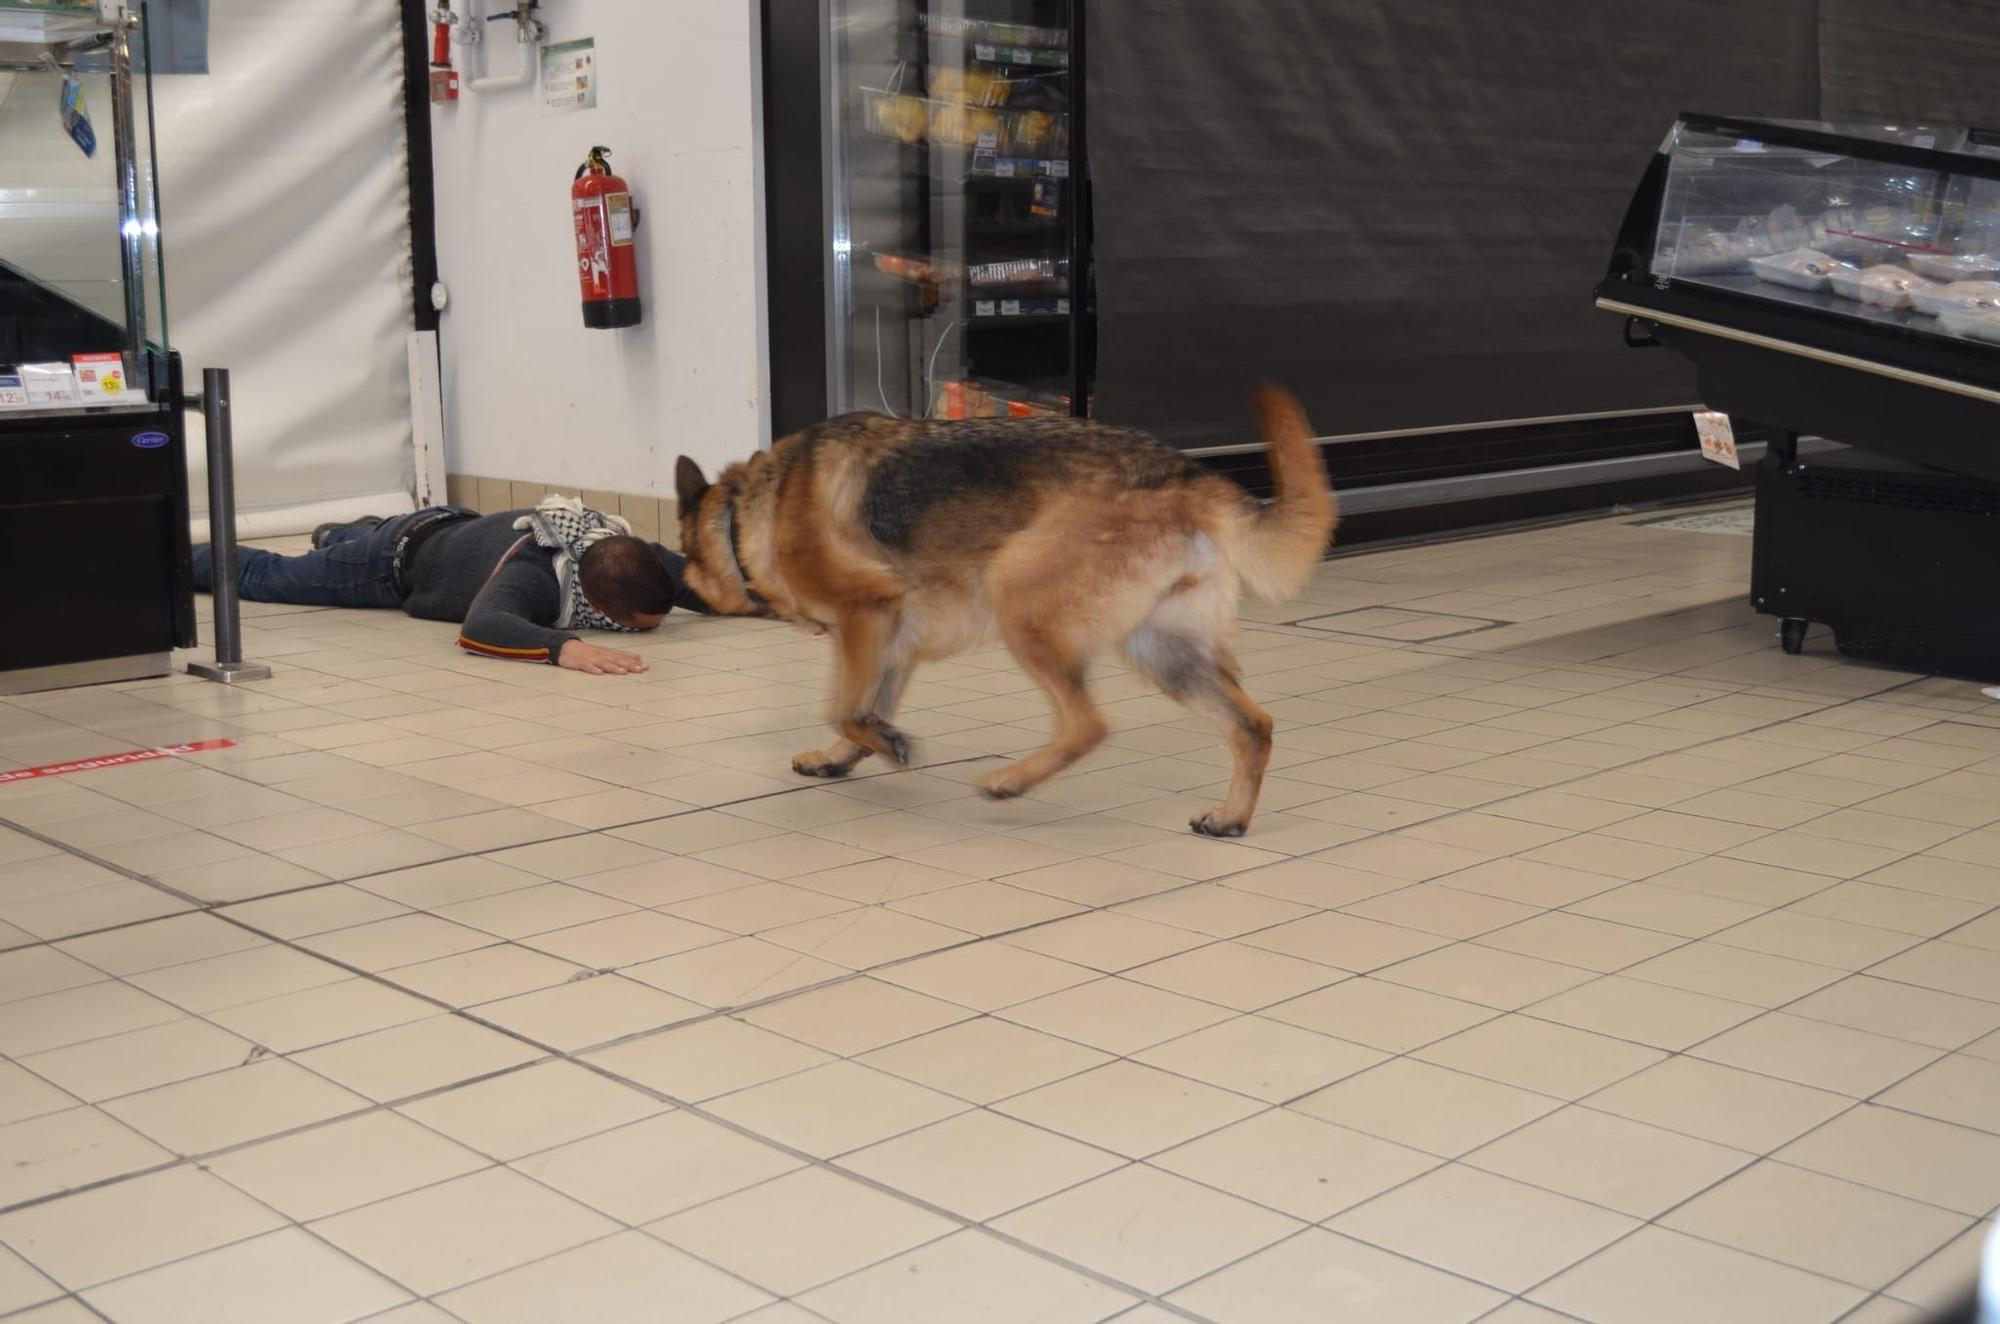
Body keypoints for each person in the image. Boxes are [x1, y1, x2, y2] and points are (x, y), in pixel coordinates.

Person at [191, 499, 712, 675]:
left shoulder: (628, 554)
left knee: (349, 540)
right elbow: (481, 626)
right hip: (391, 565)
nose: (653, 630)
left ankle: (343, 533)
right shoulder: (533, 577)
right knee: (271, 577)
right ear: (598, 604)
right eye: (636, 628)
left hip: (454, 529)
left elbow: (709, 583)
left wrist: (781, 605)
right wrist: (564, 648)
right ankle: (168, 555)